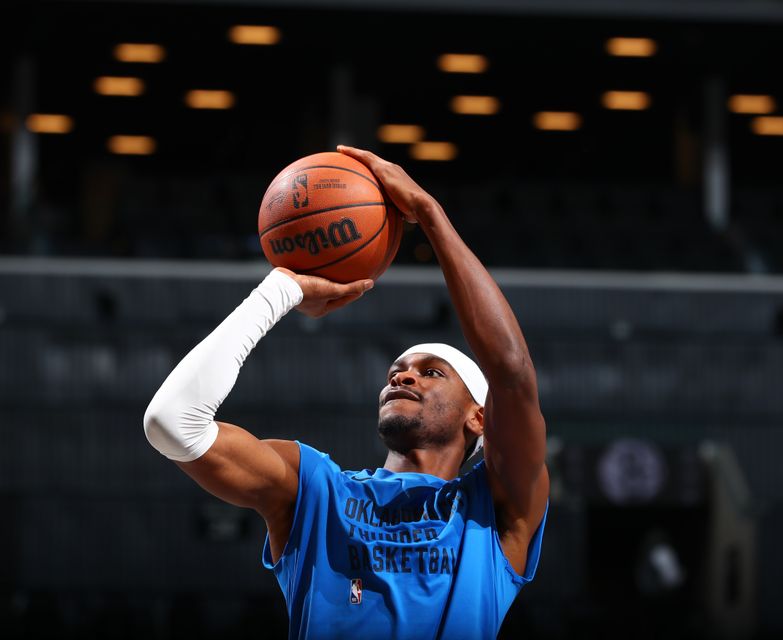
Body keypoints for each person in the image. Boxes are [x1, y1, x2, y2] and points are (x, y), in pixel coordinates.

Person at [143, 146, 549, 639]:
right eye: (397, 370)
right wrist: (279, 293)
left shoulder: (497, 508)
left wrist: (429, 214)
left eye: (432, 373)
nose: (403, 376)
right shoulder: (317, 489)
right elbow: (172, 423)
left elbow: (511, 372)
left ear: (479, 418)